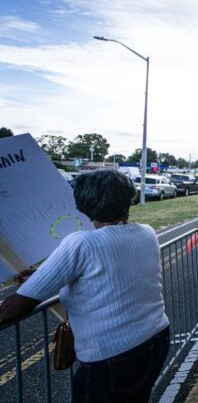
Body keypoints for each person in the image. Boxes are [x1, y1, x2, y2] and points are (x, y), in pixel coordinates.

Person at [0, 170, 170, 402]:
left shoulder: (81, 243)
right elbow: (111, 270)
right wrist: (44, 274)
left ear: (83, 205)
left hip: (112, 357)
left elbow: (13, 309)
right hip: (156, 338)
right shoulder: (147, 232)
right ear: (129, 200)